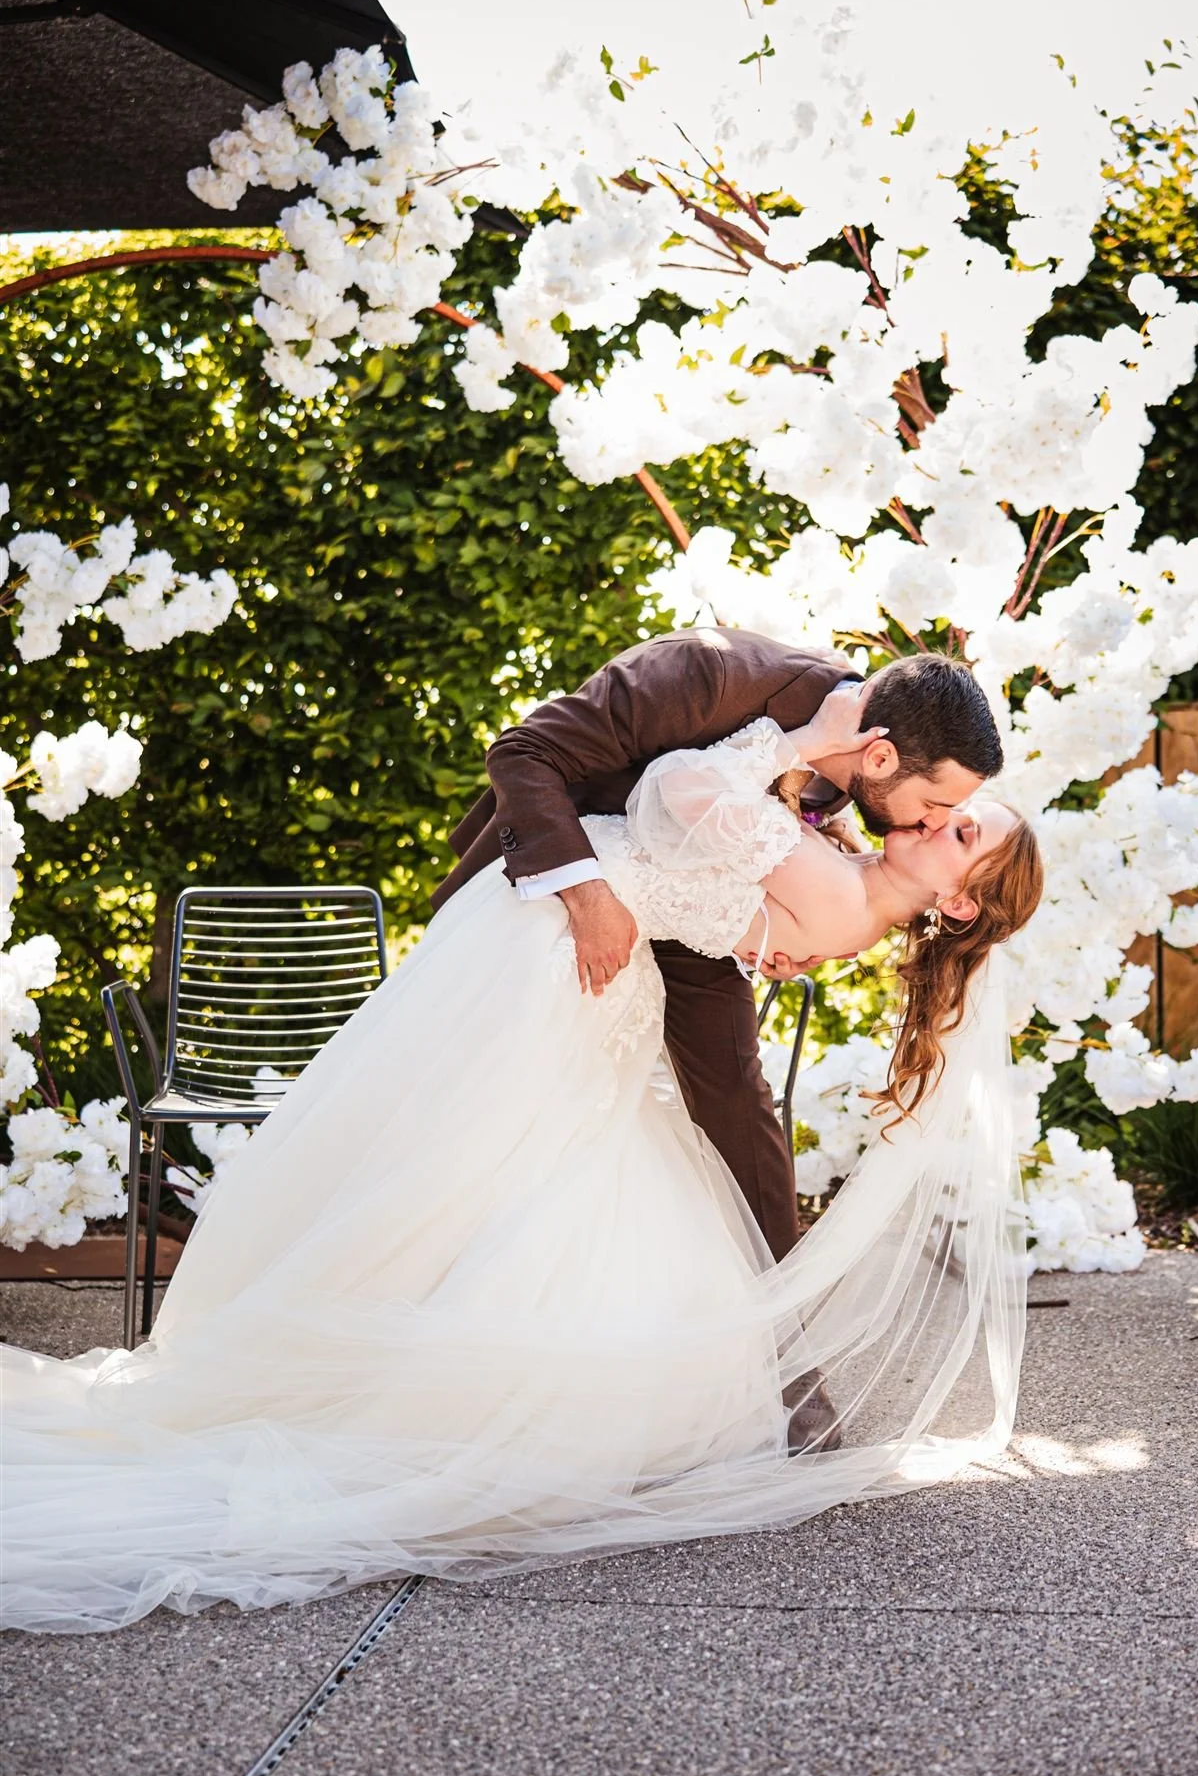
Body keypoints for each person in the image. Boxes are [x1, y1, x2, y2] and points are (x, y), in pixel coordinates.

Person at [0, 685, 1042, 1636]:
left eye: (960, 835)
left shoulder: (838, 886)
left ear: (957, 904)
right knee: (497, 1172)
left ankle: (395, 1390)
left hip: (555, 955)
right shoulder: (850, 884)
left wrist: (798, 743)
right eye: (947, 809)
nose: (930, 821)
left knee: (478, 1175)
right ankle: (421, 1379)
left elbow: (677, 791)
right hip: (569, 948)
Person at [436, 630, 1006, 1445]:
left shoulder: (864, 770)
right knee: (502, 1112)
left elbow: (789, 814)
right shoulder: (709, 673)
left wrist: (777, 914)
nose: (939, 819)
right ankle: (447, 1322)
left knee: (738, 1106)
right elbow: (523, 754)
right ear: (880, 757)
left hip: (685, 911)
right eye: (937, 804)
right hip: (568, 890)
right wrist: (592, 898)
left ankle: (780, 1360)